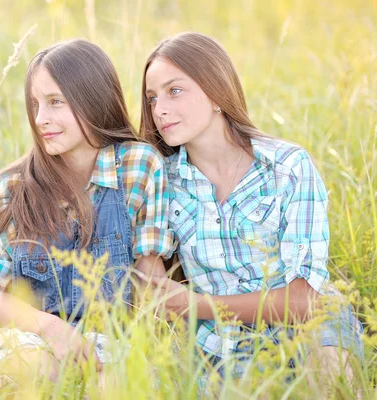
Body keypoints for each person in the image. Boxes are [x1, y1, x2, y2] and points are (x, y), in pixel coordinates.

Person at [138, 32, 363, 391]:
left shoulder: (287, 167)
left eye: (174, 91)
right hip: (220, 342)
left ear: (215, 91)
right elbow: (155, 293)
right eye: (152, 98)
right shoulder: (161, 179)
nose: (159, 109)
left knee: (328, 365)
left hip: (309, 323)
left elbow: (304, 300)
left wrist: (195, 305)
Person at [0, 39, 174, 387]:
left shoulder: (138, 166)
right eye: (35, 105)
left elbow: (150, 279)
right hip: (31, 338)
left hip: (112, 338)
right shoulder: (10, 190)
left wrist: (155, 354)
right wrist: (53, 328)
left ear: (93, 98)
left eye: (56, 102)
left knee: (115, 386)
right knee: (41, 371)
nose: (41, 119)